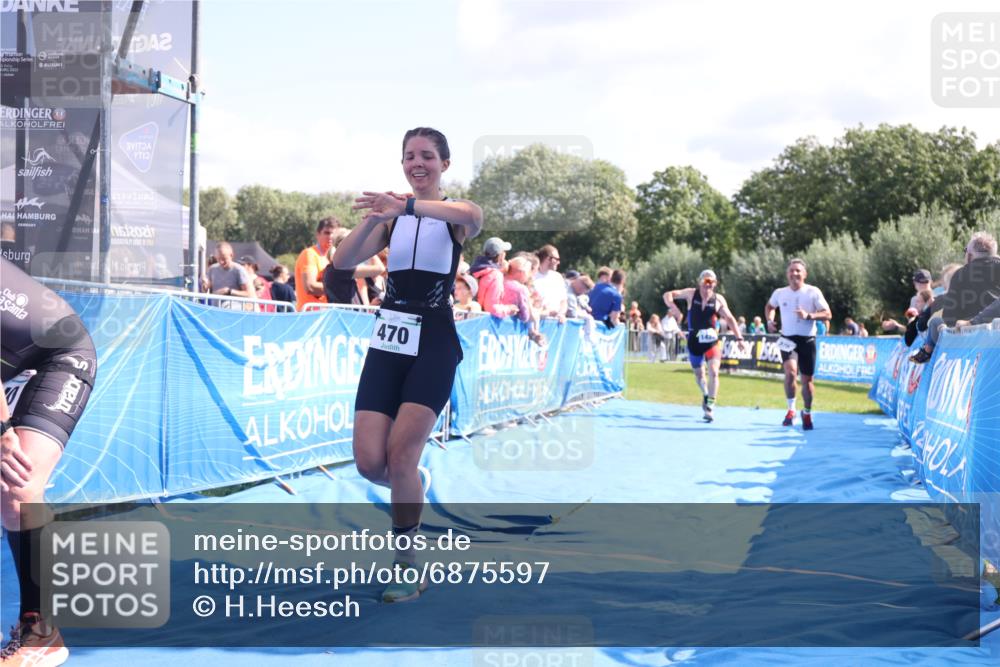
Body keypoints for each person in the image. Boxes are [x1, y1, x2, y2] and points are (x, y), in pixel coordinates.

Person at [331, 127, 482, 603]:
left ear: (444, 164)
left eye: (427, 156)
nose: (417, 163)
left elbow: (472, 216)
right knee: (369, 462)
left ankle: (406, 563)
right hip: (389, 341)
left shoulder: (452, 214)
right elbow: (342, 260)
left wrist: (408, 206)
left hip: (434, 342)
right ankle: (412, 483)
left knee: (400, 457)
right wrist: (379, 217)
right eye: (409, 156)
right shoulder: (393, 219)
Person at [1, 257, 97, 666]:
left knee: (17, 486)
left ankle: (41, 632)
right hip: (15, 358)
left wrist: (3, 435)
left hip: (61, 355)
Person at [663, 269, 744, 422]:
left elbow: (730, 318)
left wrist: (739, 338)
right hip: (694, 340)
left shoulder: (718, 299)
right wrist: (674, 308)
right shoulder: (690, 294)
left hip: (711, 341)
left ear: (715, 284)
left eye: (711, 282)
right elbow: (667, 294)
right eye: (706, 281)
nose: (708, 285)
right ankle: (706, 393)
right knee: (700, 375)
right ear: (700, 282)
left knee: (714, 372)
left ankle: (710, 406)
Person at [910, 231, 1000, 363]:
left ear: (969, 255)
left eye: (965, 250)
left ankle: (926, 352)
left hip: (971, 343)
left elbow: (949, 318)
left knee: (936, 323)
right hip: (994, 338)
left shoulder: (961, 274)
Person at [765, 258, 832, 429]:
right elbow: (769, 306)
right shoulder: (780, 293)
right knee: (790, 372)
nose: (794, 273)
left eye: (798, 271)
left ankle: (807, 412)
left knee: (807, 381)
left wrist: (809, 316)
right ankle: (791, 409)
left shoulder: (813, 292)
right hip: (787, 339)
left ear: (805, 274)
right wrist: (770, 320)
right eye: (791, 271)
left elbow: (828, 314)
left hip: (807, 340)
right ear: (787, 274)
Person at [323, 228, 386, 306]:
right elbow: (380, 268)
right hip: (347, 315)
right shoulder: (341, 268)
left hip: (346, 315)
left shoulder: (334, 268)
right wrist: (367, 248)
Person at [295, 217, 340, 311]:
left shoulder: (335, 257)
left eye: (334, 233)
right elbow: (310, 286)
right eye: (327, 233)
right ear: (318, 234)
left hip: (326, 315)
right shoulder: (309, 254)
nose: (331, 236)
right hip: (309, 315)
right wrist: (340, 288)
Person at [502, 256, 546, 345]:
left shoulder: (499, 280)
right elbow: (525, 316)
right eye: (529, 271)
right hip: (509, 332)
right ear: (522, 272)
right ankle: (534, 333)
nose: (530, 275)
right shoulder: (521, 289)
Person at [469, 237, 517, 318]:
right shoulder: (496, 275)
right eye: (504, 251)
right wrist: (509, 309)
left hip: (466, 318)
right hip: (480, 321)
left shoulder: (473, 269)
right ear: (501, 255)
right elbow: (491, 308)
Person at [533, 245, 567, 319]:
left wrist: (561, 313)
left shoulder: (558, 277)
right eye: (557, 259)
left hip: (555, 323)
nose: (559, 262)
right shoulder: (531, 275)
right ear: (548, 258)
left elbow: (563, 301)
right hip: (536, 321)